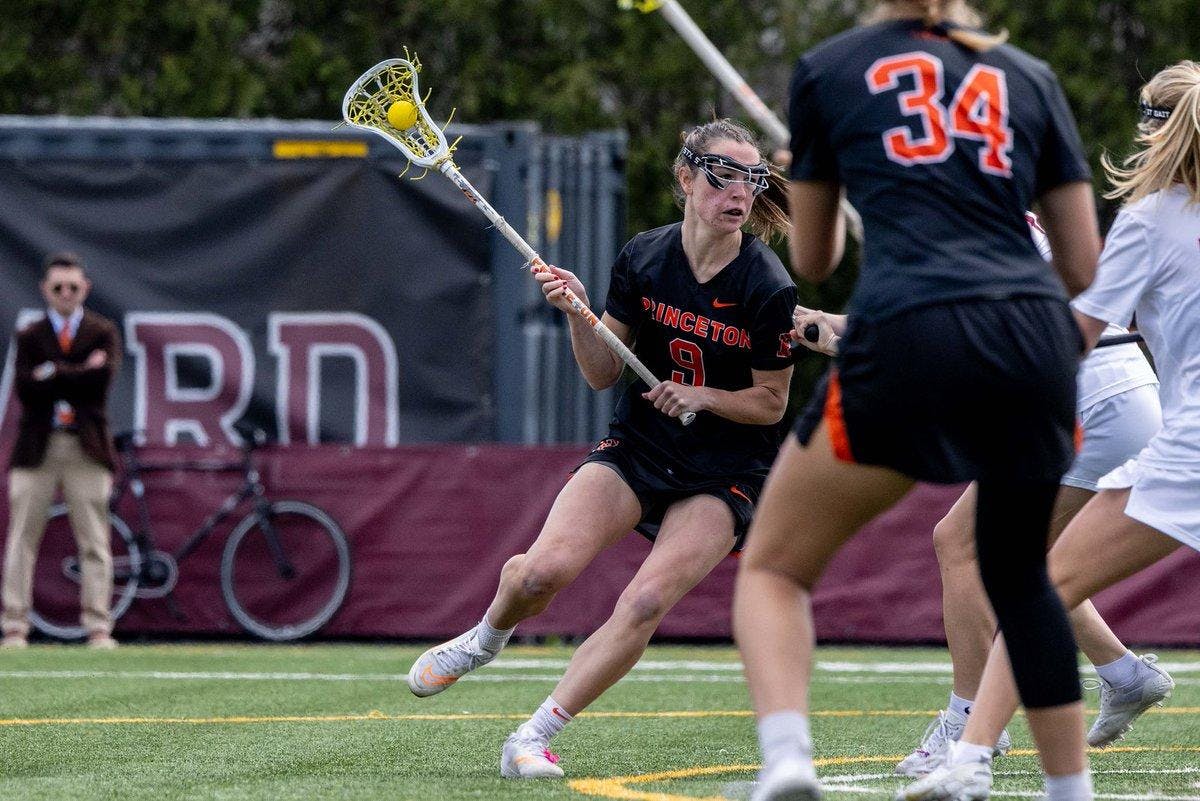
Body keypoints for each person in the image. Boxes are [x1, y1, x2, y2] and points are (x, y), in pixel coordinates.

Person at [731, 1, 1105, 799]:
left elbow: (816, 254)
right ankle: (1071, 792)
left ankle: (789, 759)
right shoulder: (1028, 76)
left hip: (908, 329)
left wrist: (809, 169)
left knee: (773, 566)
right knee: (1021, 575)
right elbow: (1082, 266)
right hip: (1031, 338)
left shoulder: (830, 67)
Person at [405, 119, 799, 779]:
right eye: (721, 175)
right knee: (537, 575)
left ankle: (530, 737)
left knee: (646, 600)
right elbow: (601, 371)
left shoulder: (767, 285)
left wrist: (703, 397)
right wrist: (577, 313)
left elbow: (771, 402)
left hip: (724, 470)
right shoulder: (644, 256)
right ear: (686, 177)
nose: (737, 192)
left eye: (749, 179)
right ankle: (482, 640)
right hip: (639, 447)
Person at [900, 59, 1200, 801]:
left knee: (1038, 580)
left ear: (1156, 132)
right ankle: (1088, 693)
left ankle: (970, 759)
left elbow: (1078, 331)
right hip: (1169, 425)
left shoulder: (1151, 216)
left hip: (1186, 442)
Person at [792, 213, 1172, 779]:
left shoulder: (968, 225)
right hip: (1115, 398)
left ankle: (967, 727)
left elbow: (944, 339)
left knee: (963, 546)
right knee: (1031, 562)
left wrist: (847, 338)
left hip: (1091, 403)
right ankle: (1122, 673)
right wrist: (839, 325)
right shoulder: (989, 210)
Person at [1, 251, 122, 649]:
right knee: (21, 538)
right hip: (38, 447)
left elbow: (98, 387)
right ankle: (15, 626)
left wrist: (52, 372)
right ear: (45, 291)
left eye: (73, 286)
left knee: (94, 540)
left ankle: (98, 626)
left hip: (85, 447)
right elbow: (27, 391)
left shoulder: (102, 331)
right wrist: (78, 371)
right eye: (58, 287)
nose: (66, 293)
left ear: (85, 288)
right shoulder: (30, 336)